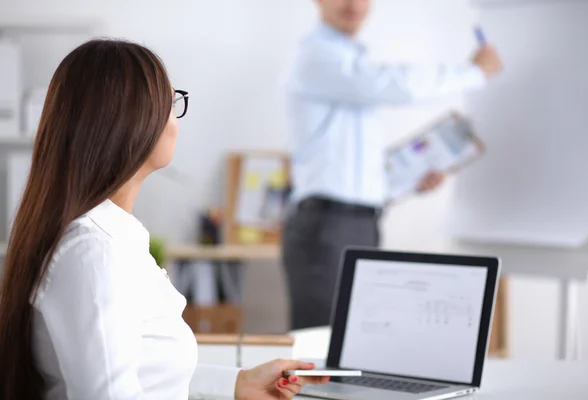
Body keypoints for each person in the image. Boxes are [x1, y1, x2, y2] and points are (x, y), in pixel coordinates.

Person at [0, 39, 328, 400]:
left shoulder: (112, 239)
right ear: (131, 119)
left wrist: (238, 383)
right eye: (171, 102)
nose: (176, 119)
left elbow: (146, 374)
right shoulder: (95, 252)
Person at [282, 0, 503, 330]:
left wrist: (409, 181)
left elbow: (350, 165)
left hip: (359, 223)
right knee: (321, 346)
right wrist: (473, 72)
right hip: (328, 226)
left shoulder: (351, 60)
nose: (354, 4)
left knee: (351, 341)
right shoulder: (317, 56)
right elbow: (395, 84)